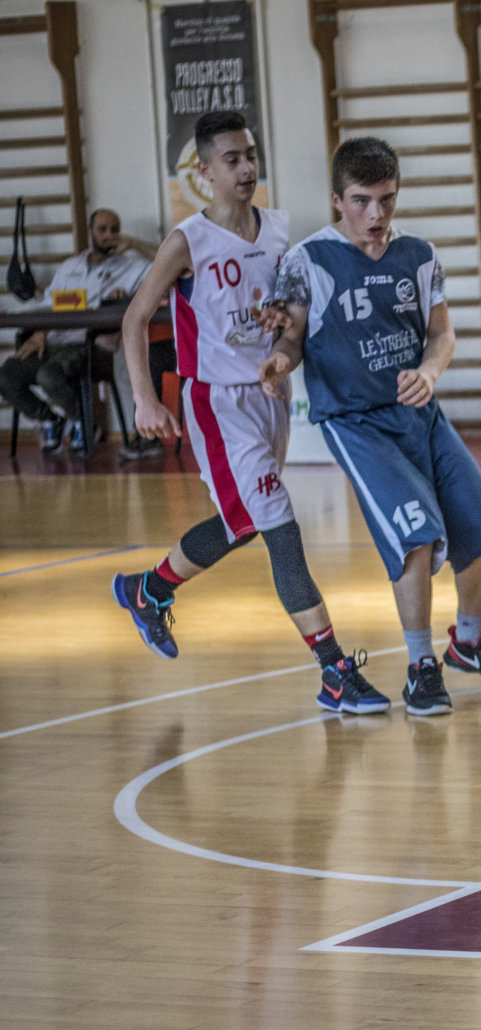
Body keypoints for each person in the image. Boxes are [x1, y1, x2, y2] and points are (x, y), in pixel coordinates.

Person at [109, 111, 387, 714]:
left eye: (251, 155)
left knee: (244, 524)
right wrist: (144, 397)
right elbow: (134, 319)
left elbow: (285, 314)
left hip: (268, 395)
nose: (246, 168)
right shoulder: (188, 240)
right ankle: (334, 670)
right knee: (280, 528)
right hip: (217, 403)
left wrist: (282, 335)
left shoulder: (278, 229)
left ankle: (148, 590)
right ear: (204, 171)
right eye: (232, 159)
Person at [262, 136, 481, 714]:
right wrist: (280, 362)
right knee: (416, 538)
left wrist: (429, 372)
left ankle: (469, 643)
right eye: (361, 201)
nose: (376, 214)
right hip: (356, 422)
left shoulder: (419, 255)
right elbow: (292, 336)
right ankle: (420, 667)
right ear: (337, 200)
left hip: (420, 416)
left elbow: (442, 333)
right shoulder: (309, 260)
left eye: (386, 199)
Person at [1, 208, 153, 454]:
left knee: (49, 376)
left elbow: (168, 260)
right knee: (7, 374)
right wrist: (39, 333)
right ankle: (51, 419)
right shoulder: (69, 266)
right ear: (90, 232)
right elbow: (48, 305)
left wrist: (133, 243)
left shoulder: (129, 266)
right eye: (102, 229)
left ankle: (83, 421)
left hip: (88, 345)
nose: (109, 235)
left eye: (114, 229)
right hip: (52, 341)